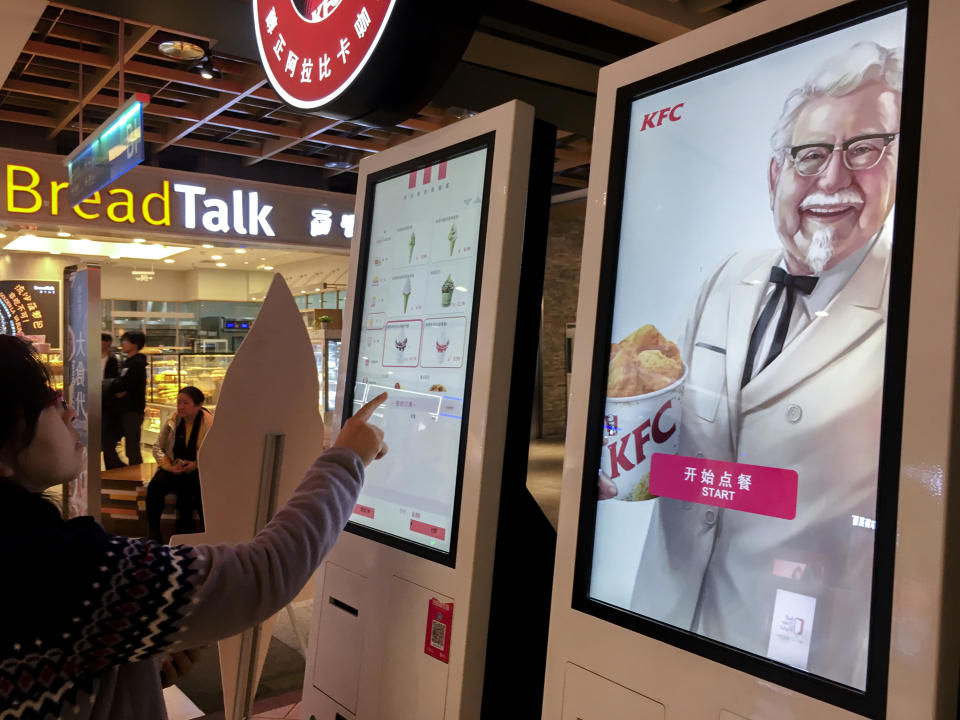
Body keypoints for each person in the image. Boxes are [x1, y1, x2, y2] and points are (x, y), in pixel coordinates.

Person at [630, 41, 901, 689]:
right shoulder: (727, 277)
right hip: (656, 624)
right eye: (810, 155)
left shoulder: (914, 312)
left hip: (791, 665)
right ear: (774, 175)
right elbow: (669, 439)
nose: (832, 179)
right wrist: (619, 456)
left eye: (864, 150)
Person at [0, 334, 387, 719]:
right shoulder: (65, 568)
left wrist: (133, 668)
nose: (69, 412)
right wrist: (345, 458)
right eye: (49, 402)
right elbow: (262, 574)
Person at [146, 387, 213, 542]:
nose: (180, 406)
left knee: (194, 489)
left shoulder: (209, 423)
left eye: (185, 403)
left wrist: (197, 464)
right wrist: (169, 466)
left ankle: (195, 535)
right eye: (178, 402)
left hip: (198, 469)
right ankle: (154, 533)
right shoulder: (173, 420)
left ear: (198, 405)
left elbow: (216, 451)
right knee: (155, 486)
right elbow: (158, 447)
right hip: (173, 466)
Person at [103, 331, 147, 468]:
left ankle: (136, 477)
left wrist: (119, 388)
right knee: (109, 441)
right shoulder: (128, 361)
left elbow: (126, 384)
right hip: (122, 410)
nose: (122, 343)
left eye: (125, 341)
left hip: (132, 410)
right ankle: (120, 471)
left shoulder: (138, 362)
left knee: (132, 448)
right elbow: (120, 383)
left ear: (135, 343)